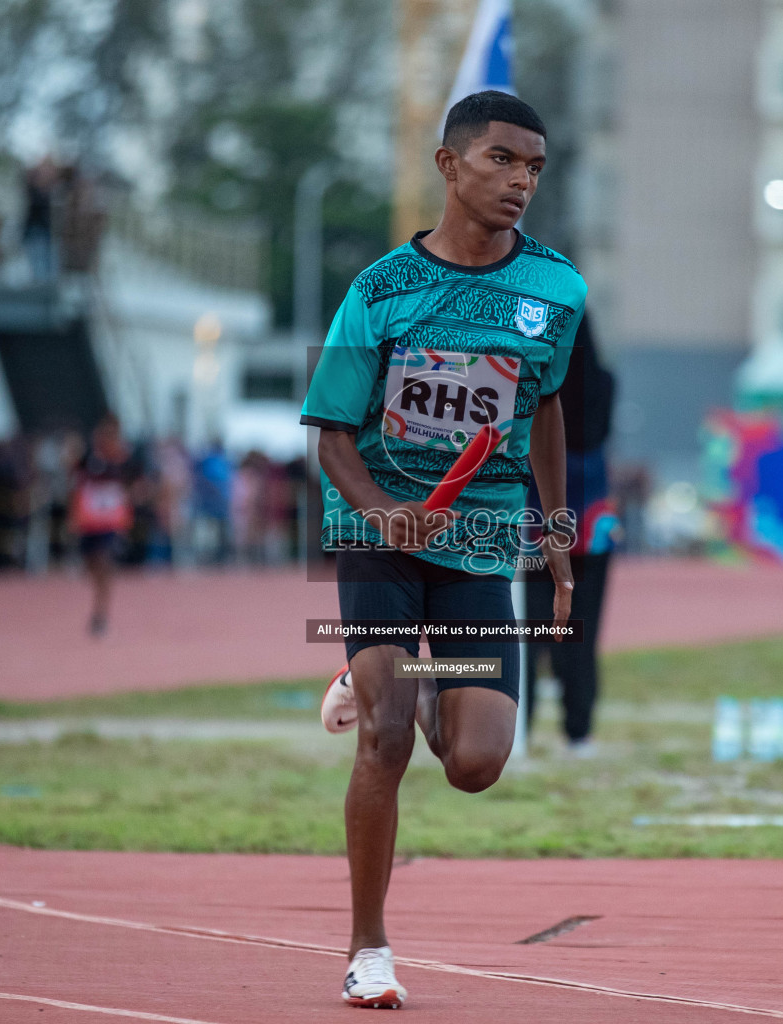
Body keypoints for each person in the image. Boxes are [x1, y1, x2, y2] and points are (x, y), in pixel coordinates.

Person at [299, 91, 585, 1008]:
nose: (520, 181)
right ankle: (368, 949)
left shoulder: (557, 291)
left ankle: (405, 680)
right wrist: (383, 510)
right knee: (382, 742)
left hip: (483, 540)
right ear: (448, 165)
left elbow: (544, 410)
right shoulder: (378, 291)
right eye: (502, 160)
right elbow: (332, 435)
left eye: (534, 167)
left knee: (474, 764)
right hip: (379, 536)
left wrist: (554, 534)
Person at [523, 314, 620, 755]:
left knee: (519, 629)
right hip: (587, 520)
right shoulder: (603, 383)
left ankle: (516, 728)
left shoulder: (529, 376)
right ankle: (578, 732)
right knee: (580, 631)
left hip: (533, 517)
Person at [70, 412, 139, 636]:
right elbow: (75, 479)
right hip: (90, 522)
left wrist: (128, 501)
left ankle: (100, 614)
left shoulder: (125, 458)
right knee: (91, 564)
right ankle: (99, 606)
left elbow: (138, 483)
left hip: (110, 523)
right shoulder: (89, 456)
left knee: (103, 564)